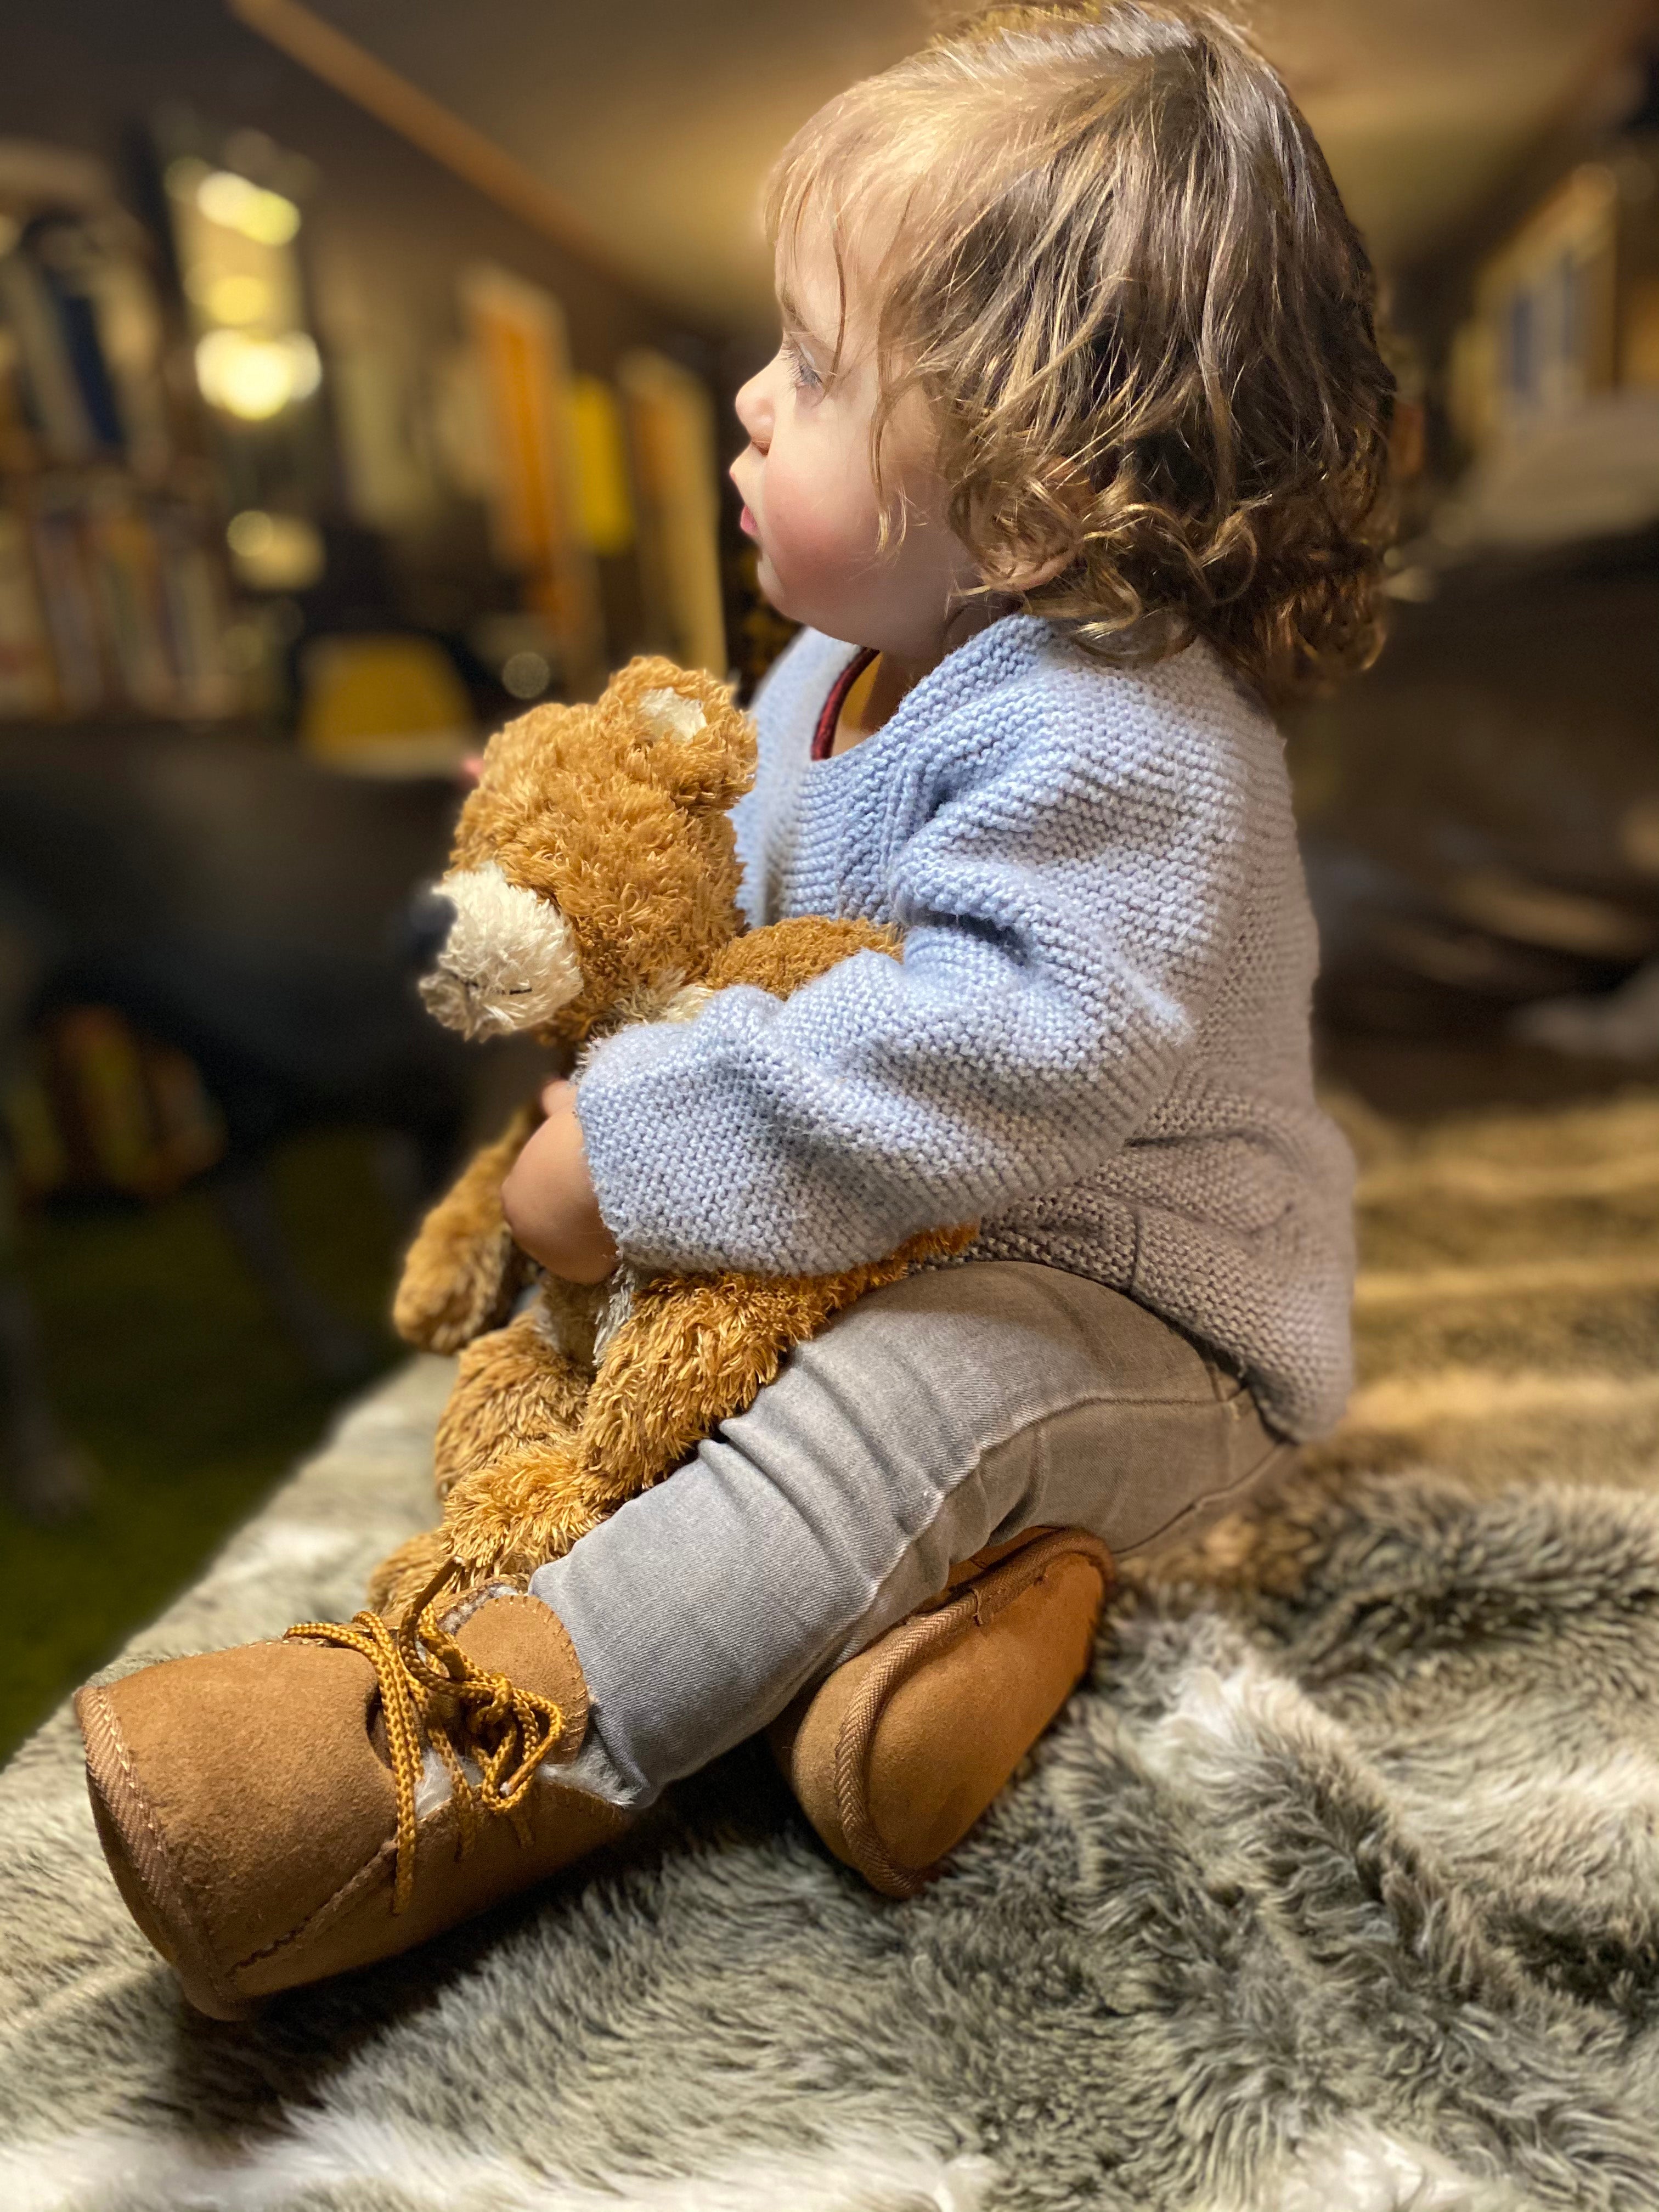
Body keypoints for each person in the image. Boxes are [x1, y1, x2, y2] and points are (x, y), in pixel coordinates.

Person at [75, 0, 1393, 2019]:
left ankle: (470, 1756)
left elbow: (1004, 1039)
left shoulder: (1130, 740)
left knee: (912, 1398)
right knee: (673, 1396)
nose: (748, 409)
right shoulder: (807, 687)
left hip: (1140, 1306)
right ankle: (929, 1667)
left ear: (1035, 498)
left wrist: (659, 1149)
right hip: (879, 1243)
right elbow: (746, 957)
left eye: (816, 365)